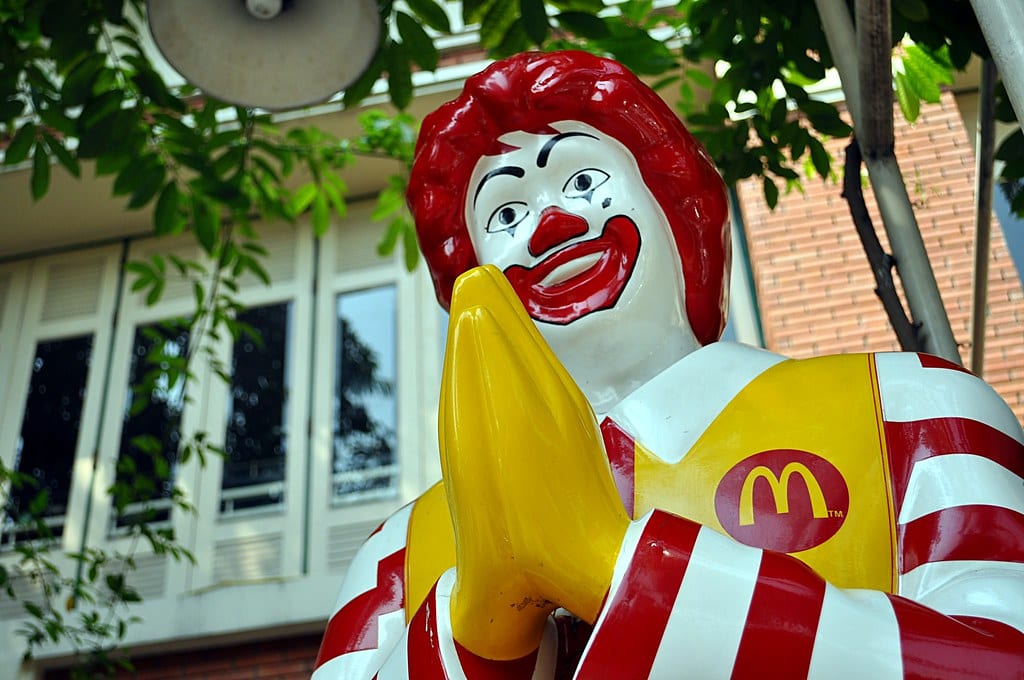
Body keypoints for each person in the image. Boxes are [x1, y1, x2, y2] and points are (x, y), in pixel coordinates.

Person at [313, 51, 1024, 679]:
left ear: (674, 202)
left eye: (585, 180)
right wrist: (477, 629)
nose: (553, 226)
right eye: (504, 215)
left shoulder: (912, 410)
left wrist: (618, 571)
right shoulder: (399, 553)